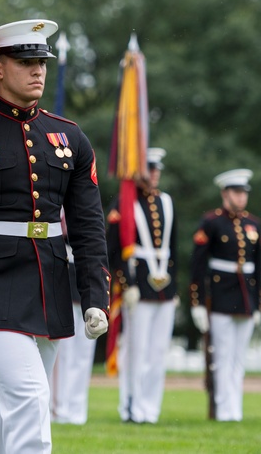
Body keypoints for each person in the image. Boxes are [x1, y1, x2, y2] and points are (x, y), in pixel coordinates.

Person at [0, 19, 110, 454]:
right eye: (25, 62)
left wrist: (95, 293)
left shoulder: (69, 137)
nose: (37, 70)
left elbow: (87, 224)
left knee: (8, 412)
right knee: (30, 397)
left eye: (41, 61)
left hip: (48, 282)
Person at [106, 147, 178, 424]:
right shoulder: (124, 205)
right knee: (135, 350)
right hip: (137, 286)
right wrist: (126, 284)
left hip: (164, 287)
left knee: (158, 351)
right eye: (150, 169)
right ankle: (131, 406)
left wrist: (176, 289)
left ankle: (151, 408)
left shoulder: (167, 202)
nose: (155, 174)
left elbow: (173, 249)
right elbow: (115, 249)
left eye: (157, 169)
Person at [189, 168, 261, 422]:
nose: (241, 197)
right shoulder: (212, 222)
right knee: (222, 356)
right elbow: (198, 266)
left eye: (244, 192)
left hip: (246, 298)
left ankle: (235, 409)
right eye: (236, 192)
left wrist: (258, 305)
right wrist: (197, 303)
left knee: (238, 358)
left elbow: (259, 268)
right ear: (225, 193)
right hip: (221, 297)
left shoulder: (253, 223)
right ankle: (222, 410)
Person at [49, 217, 98, 425]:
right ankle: (59, 408)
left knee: (83, 353)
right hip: (62, 275)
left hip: (83, 277)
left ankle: (77, 408)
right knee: (64, 353)